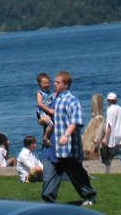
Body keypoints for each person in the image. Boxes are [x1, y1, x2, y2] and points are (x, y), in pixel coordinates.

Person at [41, 70, 97, 206]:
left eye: (57, 82)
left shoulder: (71, 100)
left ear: (66, 84)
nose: (54, 84)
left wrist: (66, 135)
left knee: (76, 174)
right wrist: (43, 120)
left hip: (68, 148)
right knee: (49, 176)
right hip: (52, 146)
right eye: (54, 82)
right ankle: (48, 201)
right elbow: (50, 118)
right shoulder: (55, 99)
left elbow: (76, 120)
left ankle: (89, 197)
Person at [99, 92, 121, 173]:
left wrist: (105, 138)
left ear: (109, 101)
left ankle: (108, 171)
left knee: (107, 153)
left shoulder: (110, 110)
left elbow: (109, 125)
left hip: (113, 135)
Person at [35, 73, 55, 145]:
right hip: (42, 112)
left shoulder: (49, 92)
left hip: (47, 111)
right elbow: (39, 104)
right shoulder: (40, 93)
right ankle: (45, 137)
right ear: (39, 84)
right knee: (51, 124)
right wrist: (49, 110)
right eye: (44, 83)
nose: (46, 85)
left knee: (51, 124)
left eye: (48, 83)